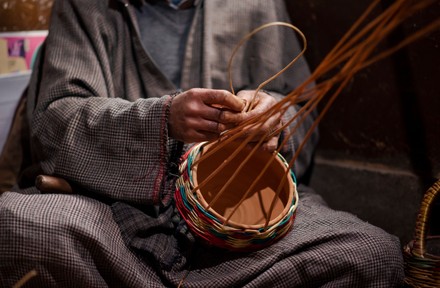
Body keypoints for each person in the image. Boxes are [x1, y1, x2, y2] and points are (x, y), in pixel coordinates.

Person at [0, 0, 404, 287]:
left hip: (239, 226)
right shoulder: (85, 6)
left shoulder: (257, 4)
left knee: (370, 253)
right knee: (17, 223)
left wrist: (272, 118)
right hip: (113, 214)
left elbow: (300, 112)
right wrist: (162, 120)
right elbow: (53, 122)